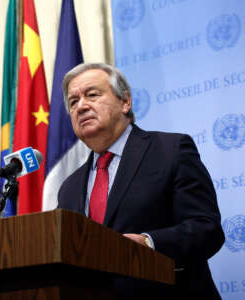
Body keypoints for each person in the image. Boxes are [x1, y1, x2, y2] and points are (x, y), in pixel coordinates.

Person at [57, 63, 224, 299]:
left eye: (92, 95)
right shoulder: (69, 188)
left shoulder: (171, 151)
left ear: (125, 102)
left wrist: (149, 243)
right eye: (73, 102)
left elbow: (207, 229)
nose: (81, 106)